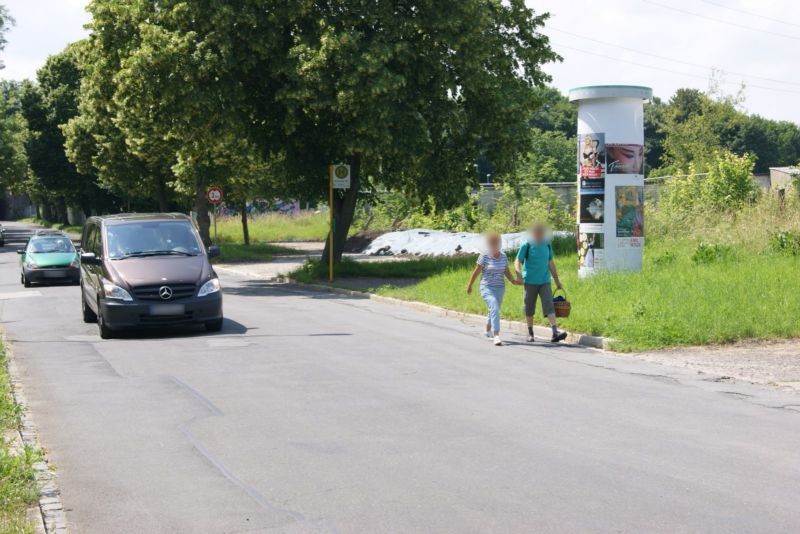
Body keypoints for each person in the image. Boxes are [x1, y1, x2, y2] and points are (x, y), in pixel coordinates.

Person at [515, 223, 567, 343]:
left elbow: (550, 263)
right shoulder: (527, 245)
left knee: (549, 304)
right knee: (529, 307)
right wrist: (518, 274)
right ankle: (530, 333)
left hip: (545, 281)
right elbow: (518, 260)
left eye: (541, 233)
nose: (539, 235)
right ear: (533, 233)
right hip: (530, 281)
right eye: (536, 233)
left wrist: (557, 281)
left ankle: (555, 332)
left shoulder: (547, 244)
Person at [466, 232, 519, 346]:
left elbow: (506, 271)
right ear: (489, 244)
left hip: (500, 288)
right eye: (492, 243)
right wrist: (470, 285)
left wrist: (513, 281)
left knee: (493, 309)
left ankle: (487, 329)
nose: (495, 245)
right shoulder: (484, 256)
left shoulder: (503, 256)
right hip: (486, 287)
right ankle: (496, 335)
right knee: (494, 306)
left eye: (497, 243)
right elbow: (476, 272)